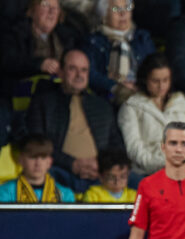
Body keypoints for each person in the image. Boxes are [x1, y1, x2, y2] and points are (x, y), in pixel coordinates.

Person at [26, 48, 125, 194]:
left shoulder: (102, 106)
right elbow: (36, 143)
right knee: (41, 177)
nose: (79, 75)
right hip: (60, 171)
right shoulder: (43, 102)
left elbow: (116, 144)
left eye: (84, 70)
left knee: (140, 183)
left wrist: (103, 165)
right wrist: (72, 163)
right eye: (73, 69)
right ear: (60, 72)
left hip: (101, 172)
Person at [118, 53, 185, 185]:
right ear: (145, 79)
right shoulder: (131, 107)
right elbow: (134, 149)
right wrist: (166, 164)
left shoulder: (182, 104)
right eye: (155, 81)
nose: (161, 86)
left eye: (165, 80)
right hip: (147, 173)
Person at [0, 0, 79, 102]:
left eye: (56, 7)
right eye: (45, 5)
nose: (52, 11)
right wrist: (39, 64)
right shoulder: (15, 34)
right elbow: (8, 61)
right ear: (31, 11)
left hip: (58, 99)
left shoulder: (68, 38)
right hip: (18, 98)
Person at [81, 0, 156, 103]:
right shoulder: (93, 42)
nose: (123, 13)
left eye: (127, 7)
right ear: (103, 16)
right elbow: (90, 74)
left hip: (143, 93)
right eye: (116, 9)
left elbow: (155, 68)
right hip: (109, 98)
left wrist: (140, 86)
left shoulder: (142, 38)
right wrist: (115, 86)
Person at [0, 133, 75, 203]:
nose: (38, 163)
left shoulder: (65, 195)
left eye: (43, 157)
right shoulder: (4, 192)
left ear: (49, 162)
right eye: (32, 157)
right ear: (21, 160)